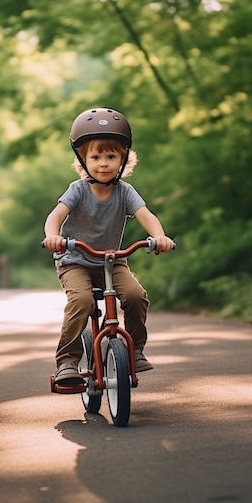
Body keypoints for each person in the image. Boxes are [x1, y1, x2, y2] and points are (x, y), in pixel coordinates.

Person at [43, 107, 175, 387]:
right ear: (82, 160)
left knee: (136, 296)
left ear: (123, 159)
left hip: (112, 261)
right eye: (96, 156)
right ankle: (67, 361)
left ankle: (134, 350)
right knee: (82, 301)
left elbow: (146, 216)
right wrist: (53, 237)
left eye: (111, 156)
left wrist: (160, 237)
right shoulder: (77, 190)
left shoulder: (125, 192)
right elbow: (55, 216)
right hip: (75, 261)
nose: (103, 163)